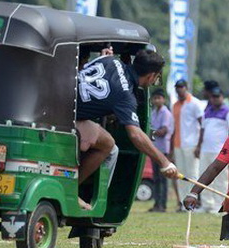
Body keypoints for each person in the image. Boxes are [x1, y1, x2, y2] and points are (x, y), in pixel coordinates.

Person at [76, 49, 178, 209]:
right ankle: (75, 189)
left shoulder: (109, 60)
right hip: (68, 118)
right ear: (151, 76)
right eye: (156, 77)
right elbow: (135, 135)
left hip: (59, 105)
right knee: (109, 144)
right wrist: (164, 162)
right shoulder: (126, 96)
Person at [195, 87, 229, 213]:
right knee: (204, 175)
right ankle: (206, 205)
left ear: (222, 97)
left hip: (220, 150)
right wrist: (199, 146)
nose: (215, 99)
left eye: (217, 96)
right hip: (206, 149)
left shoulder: (227, 112)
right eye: (213, 97)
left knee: (221, 179)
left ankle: (218, 205)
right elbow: (202, 130)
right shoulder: (207, 111)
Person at [171, 79, 203, 211]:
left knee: (193, 175)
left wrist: (199, 146)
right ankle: (184, 204)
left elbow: (203, 125)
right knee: (180, 175)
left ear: (187, 87)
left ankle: (194, 203)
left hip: (192, 144)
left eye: (181, 87)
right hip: (178, 144)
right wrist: (171, 148)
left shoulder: (195, 103)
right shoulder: (175, 105)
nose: (179, 89)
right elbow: (173, 127)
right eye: (177, 87)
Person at [149, 89, 174, 212]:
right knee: (156, 178)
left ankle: (162, 205)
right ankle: (156, 203)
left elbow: (163, 131)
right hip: (154, 149)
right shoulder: (153, 112)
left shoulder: (166, 113)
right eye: (155, 98)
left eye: (159, 98)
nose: (157, 100)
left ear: (163, 99)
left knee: (163, 178)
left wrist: (150, 133)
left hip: (163, 149)